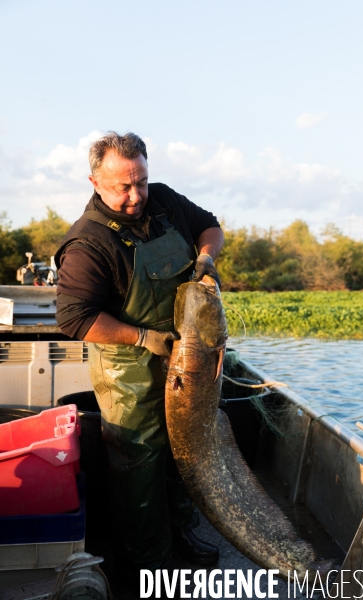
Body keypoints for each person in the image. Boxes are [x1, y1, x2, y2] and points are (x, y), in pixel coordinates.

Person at [55, 131, 224, 584]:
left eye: (142, 182)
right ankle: (147, 559)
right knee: (140, 457)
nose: (136, 197)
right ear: (94, 182)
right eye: (122, 187)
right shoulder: (87, 244)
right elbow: (73, 318)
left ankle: (181, 532)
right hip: (128, 366)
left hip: (183, 355)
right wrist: (144, 337)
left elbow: (210, 224)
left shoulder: (165, 202)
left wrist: (206, 259)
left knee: (184, 448)